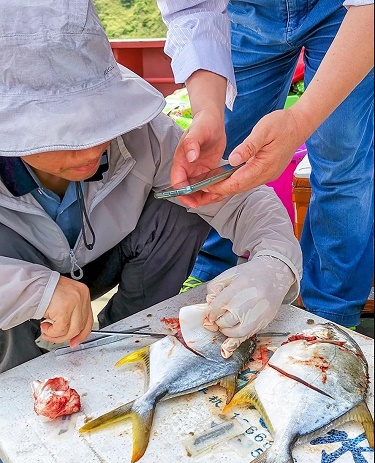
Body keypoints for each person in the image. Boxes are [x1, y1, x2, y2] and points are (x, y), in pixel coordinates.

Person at [0, 0, 302, 372]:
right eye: (63, 133)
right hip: (14, 279)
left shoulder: (140, 136)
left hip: (99, 262)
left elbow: (240, 199)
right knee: (19, 371)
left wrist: (275, 263)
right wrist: (32, 289)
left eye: (99, 118)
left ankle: (127, 342)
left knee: (184, 198)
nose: (92, 145)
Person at [157, 0, 374, 328]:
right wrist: (207, 111)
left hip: (347, 12)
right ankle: (207, 286)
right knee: (224, 150)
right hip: (240, 9)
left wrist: (300, 121)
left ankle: (331, 321)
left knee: (343, 158)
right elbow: (192, 8)